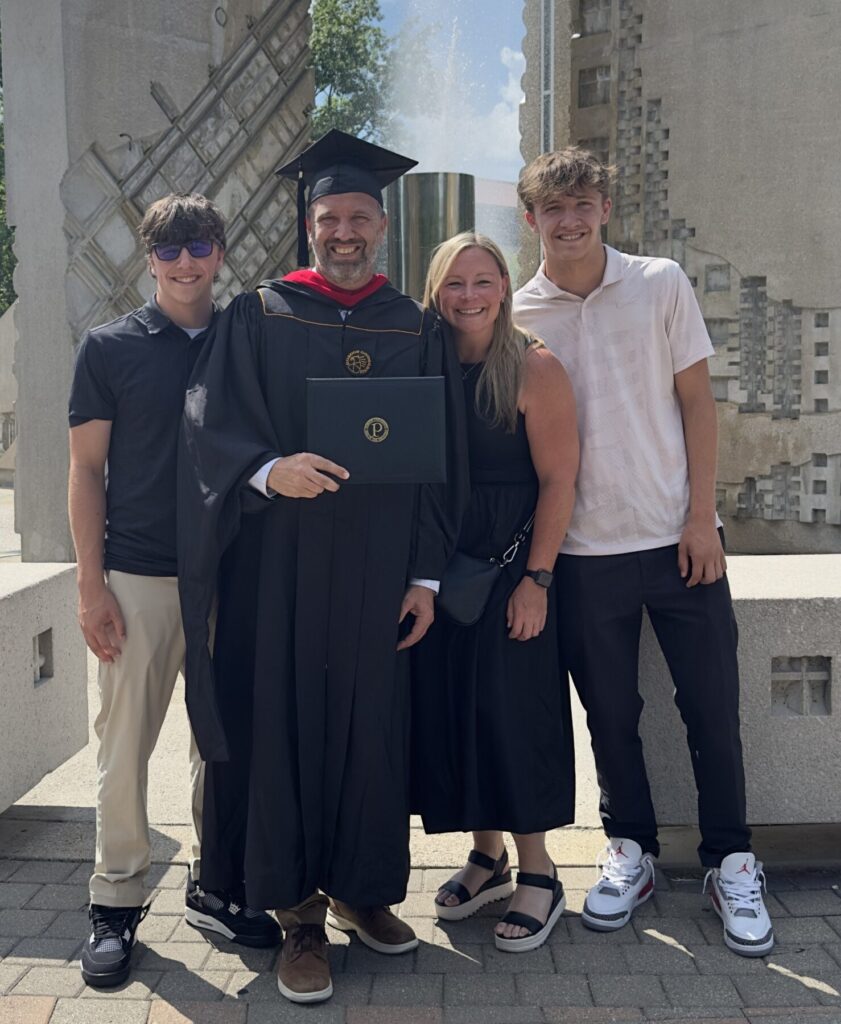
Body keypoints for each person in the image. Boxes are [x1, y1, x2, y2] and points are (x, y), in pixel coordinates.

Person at [177, 130, 469, 1004]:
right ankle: (298, 916)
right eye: (329, 217)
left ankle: (360, 891)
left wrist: (424, 576)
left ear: (380, 227)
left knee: (370, 730)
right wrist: (269, 470)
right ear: (309, 226)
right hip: (280, 572)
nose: (344, 233)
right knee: (288, 726)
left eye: (358, 218)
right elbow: (209, 425)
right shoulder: (259, 314)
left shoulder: (415, 326)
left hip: (381, 575)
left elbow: (440, 460)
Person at [513, 148, 773, 957]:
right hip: (583, 554)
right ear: (531, 220)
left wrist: (702, 517)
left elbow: (697, 403)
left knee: (710, 710)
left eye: (583, 200)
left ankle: (731, 858)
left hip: (678, 541)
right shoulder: (518, 312)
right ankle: (630, 849)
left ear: (604, 207)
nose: (570, 218)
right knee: (611, 719)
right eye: (553, 207)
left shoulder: (660, 282)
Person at [68, 193, 280, 989]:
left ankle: (215, 884)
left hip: (232, 576)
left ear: (219, 252)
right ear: (148, 259)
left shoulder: (248, 337)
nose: (185, 262)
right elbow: (86, 471)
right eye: (169, 249)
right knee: (124, 748)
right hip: (142, 576)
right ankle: (116, 902)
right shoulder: (110, 347)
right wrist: (92, 586)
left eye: (199, 246)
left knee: (218, 746)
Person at [413, 233, 578, 953]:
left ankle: (538, 870)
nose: (469, 296)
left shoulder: (533, 367)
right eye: (455, 283)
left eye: (483, 281)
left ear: (505, 287)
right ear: (435, 291)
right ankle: (487, 855)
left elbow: (560, 481)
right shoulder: (423, 361)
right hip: (437, 572)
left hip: (511, 569)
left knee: (515, 715)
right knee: (458, 711)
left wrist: (537, 580)